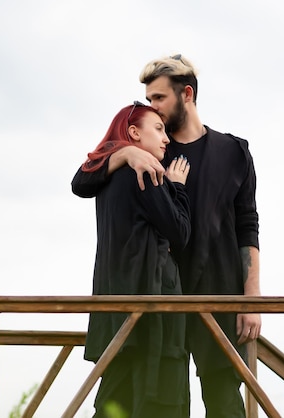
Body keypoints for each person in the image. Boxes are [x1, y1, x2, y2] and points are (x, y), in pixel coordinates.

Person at [72, 54, 261, 418]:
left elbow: (247, 226)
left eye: (159, 97)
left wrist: (251, 299)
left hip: (217, 294)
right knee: (156, 404)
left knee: (225, 403)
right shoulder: (151, 147)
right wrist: (125, 152)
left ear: (186, 94)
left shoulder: (234, 152)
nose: (150, 105)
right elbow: (83, 181)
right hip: (158, 299)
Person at [75, 102, 192, 418]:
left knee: (116, 398)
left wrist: (120, 155)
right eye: (158, 129)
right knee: (157, 397)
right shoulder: (148, 172)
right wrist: (178, 188)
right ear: (133, 132)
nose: (166, 139)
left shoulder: (108, 178)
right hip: (152, 305)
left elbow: (80, 180)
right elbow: (180, 233)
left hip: (116, 305)